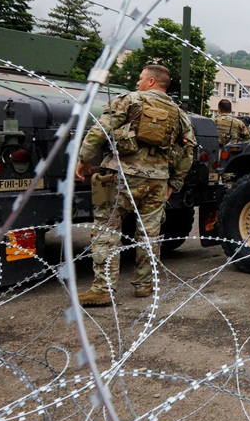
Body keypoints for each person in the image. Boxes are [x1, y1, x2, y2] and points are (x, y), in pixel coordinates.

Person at [75, 64, 195, 307]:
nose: (138, 83)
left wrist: (83, 159)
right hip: (157, 180)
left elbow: (100, 130)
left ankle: (103, 288)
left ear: (151, 82)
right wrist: (174, 182)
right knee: (149, 234)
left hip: (121, 176)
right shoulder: (178, 112)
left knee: (107, 230)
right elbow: (188, 150)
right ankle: (144, 285)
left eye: (141, 79)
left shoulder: (130, 100)